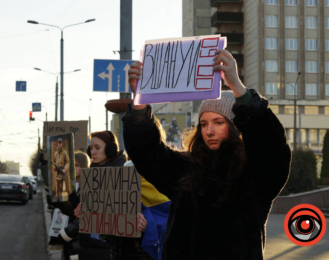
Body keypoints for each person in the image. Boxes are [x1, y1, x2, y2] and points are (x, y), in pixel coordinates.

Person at [122, 49, 291, 259]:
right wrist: (138, 103)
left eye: (218, 123)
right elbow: (148, 155)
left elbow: (272, 147)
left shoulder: (253, 172)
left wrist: (238, 88)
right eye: (203, 124)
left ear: (235, 126)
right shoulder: (187, 168)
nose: (209, 131)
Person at [76, 131, 152, 260]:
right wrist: (83, 215)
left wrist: (145, 225)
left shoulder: (129, 172)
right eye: (91, 148)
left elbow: (148, 210)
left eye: (97, 148)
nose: (92, 152)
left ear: (111, 149)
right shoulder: (91, 176)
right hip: (98, 250)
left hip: (127, 252)